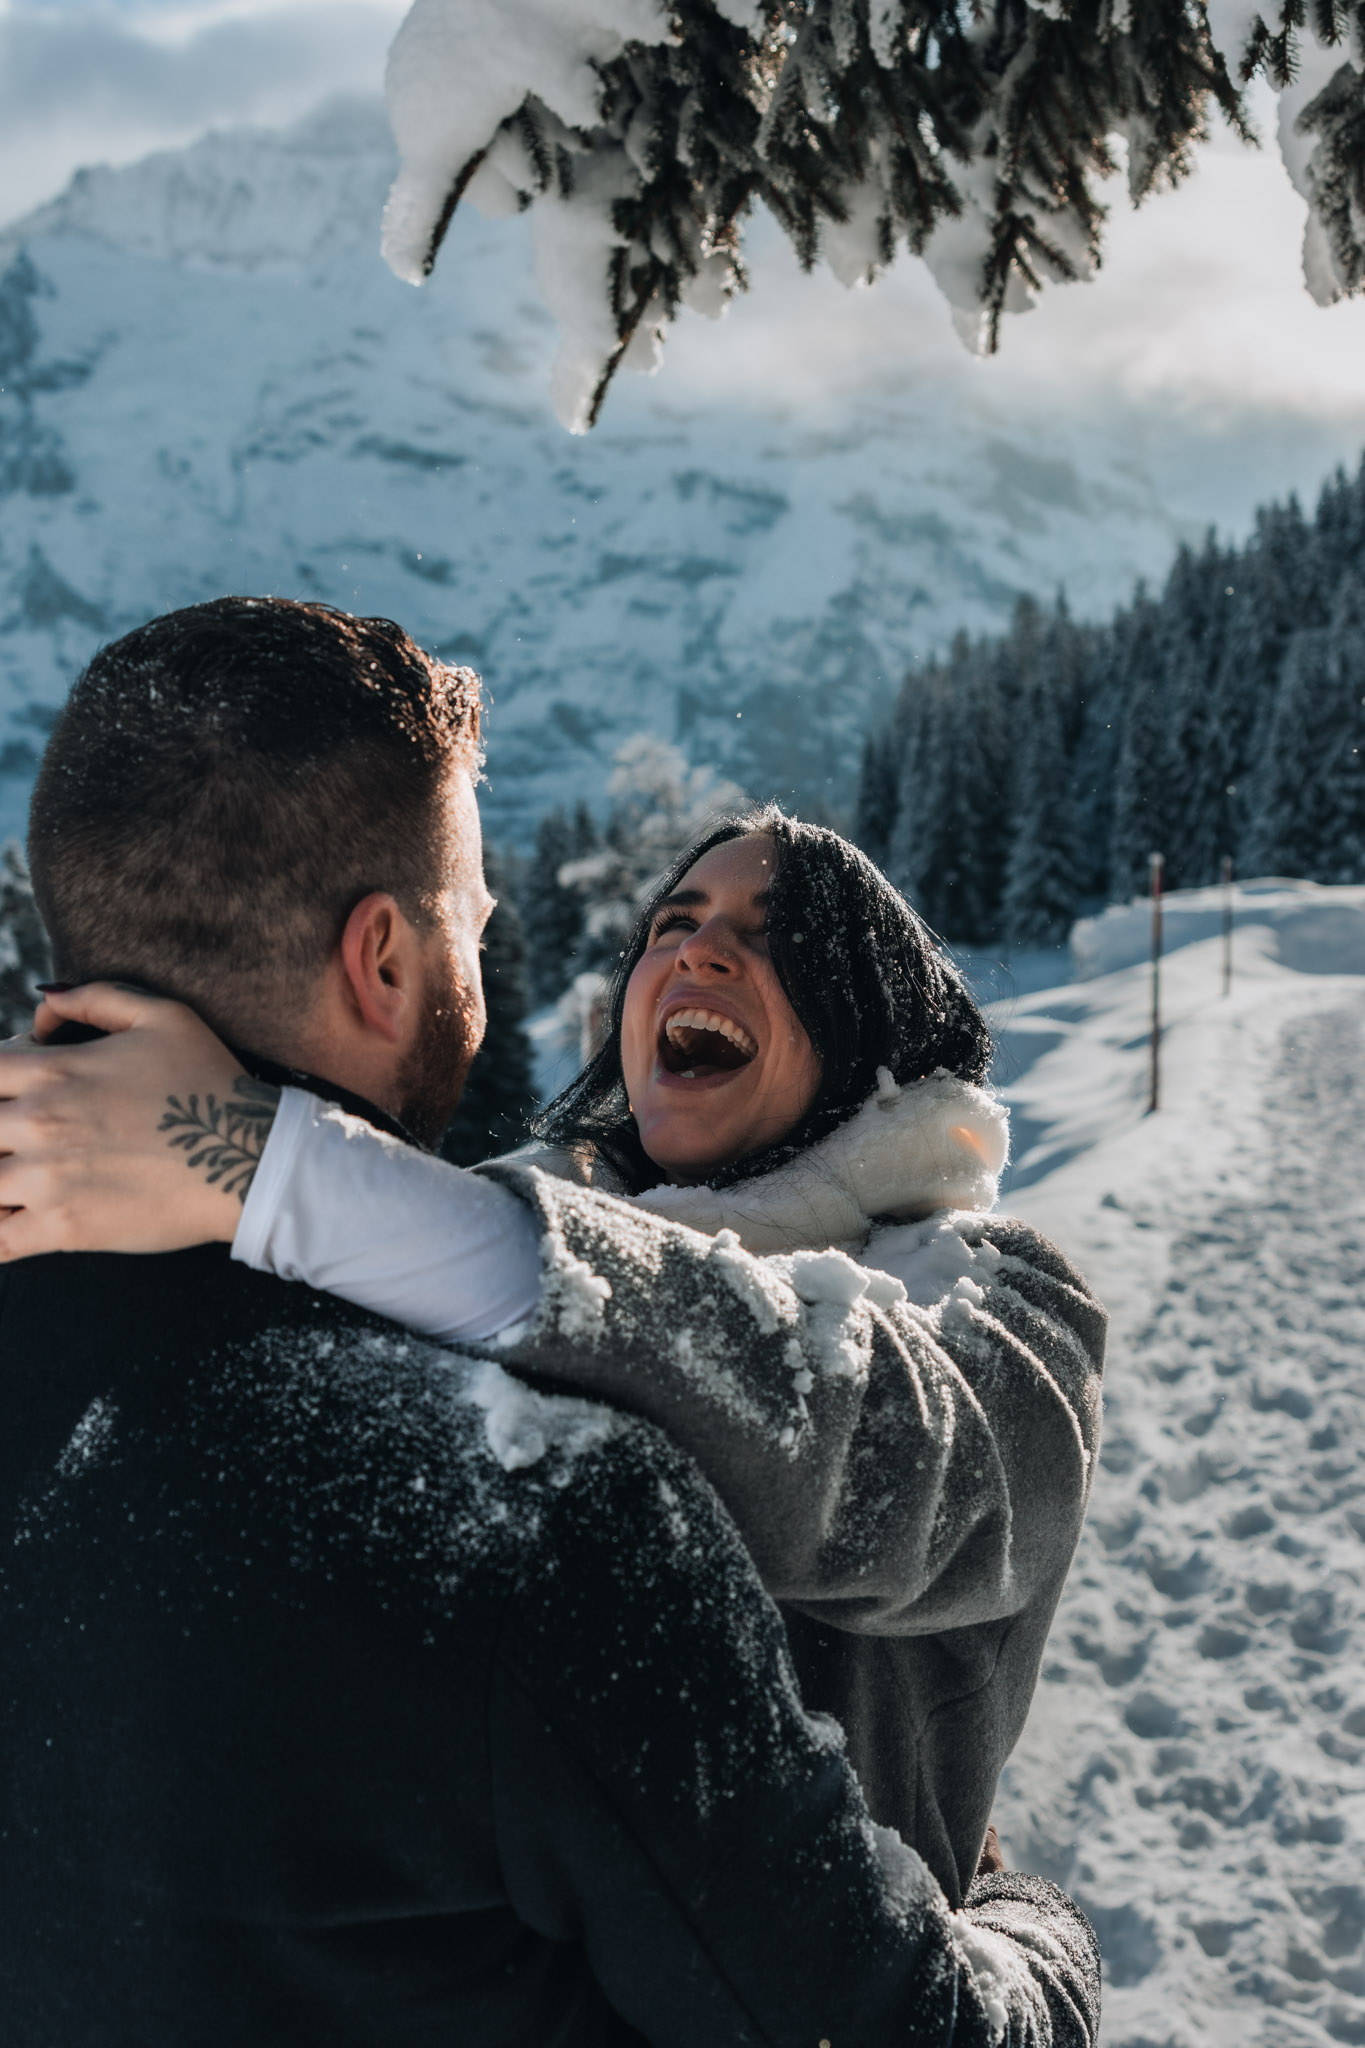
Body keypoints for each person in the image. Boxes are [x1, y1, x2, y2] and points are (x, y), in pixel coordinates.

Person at [0, 597, 1101, 2046]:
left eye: (778, 937)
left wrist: (271, 1160)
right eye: (673, 923)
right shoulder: (455, 1296)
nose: (699, 954)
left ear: (875, 1025)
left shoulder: (996, 1294)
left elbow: (871, 1457)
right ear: (385, 958)